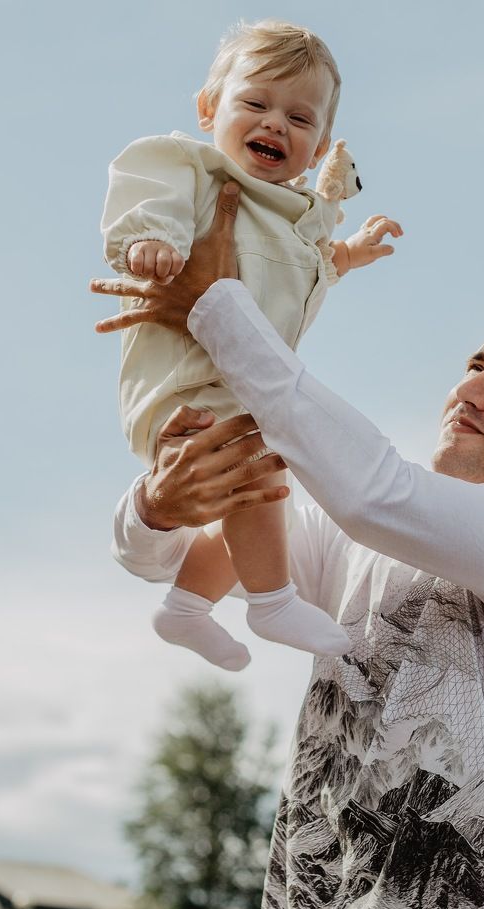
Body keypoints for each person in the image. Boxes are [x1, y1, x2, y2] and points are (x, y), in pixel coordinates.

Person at [91, 185, 484, 909]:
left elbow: (374, 490)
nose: (472, 388)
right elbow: (174, 559)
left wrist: (222, 308)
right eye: (475, 364)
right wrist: (156, 506)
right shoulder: (359, 538)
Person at [100, 19, 402, 670]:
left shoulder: (292, 218)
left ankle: (186, 608)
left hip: (240, 389)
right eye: (256, 103)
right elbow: (150, 194)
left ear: (318, 148)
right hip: (187, 380)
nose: (275, 124)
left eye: (300, 118)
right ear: (210, 108)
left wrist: (351, 253)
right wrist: (151, 241)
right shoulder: (195, 171)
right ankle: (272, 602)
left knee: (261, 494)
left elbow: (311, 261)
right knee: (258, 477)